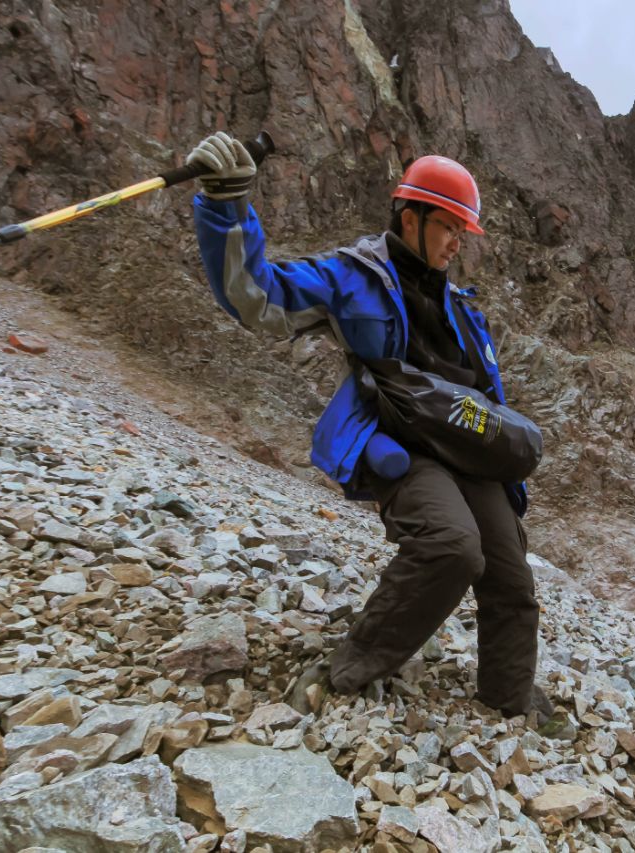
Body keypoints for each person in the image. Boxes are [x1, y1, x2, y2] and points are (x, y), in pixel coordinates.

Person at [184, 132, 549, 720]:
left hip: (469, 450)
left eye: (464, 232)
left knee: (510, 573)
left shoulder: (463, 309)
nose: (458, 242)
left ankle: (509, 704)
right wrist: (226, 205)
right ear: (411, 217)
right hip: (401, 444)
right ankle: (345, 672)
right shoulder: (351, 277)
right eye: (449, 227)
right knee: (452, 547)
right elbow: (257, 297)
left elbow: (482, 394)